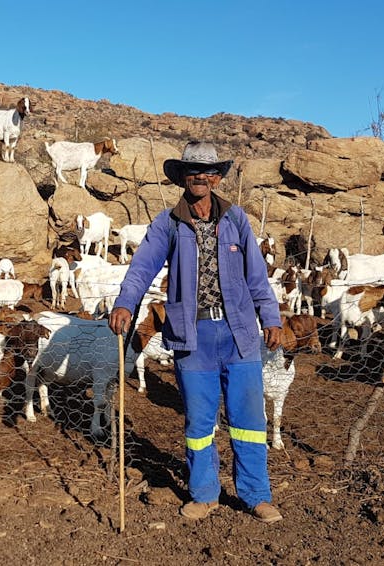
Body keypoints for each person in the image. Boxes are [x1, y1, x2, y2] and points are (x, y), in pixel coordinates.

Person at [108, 141, 284, 524]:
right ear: (183, 178)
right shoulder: (168, 222)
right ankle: (205, 493)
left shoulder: (236, 220)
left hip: (239, 334)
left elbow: (257, 276)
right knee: (199, 422)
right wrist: (126, 302)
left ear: (217, 178)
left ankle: (256, 495)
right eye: (192, 171)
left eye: (207, 171)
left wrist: (271, 317)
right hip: (193, 334)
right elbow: (142, 267)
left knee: (250, 420)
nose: (200, 177)